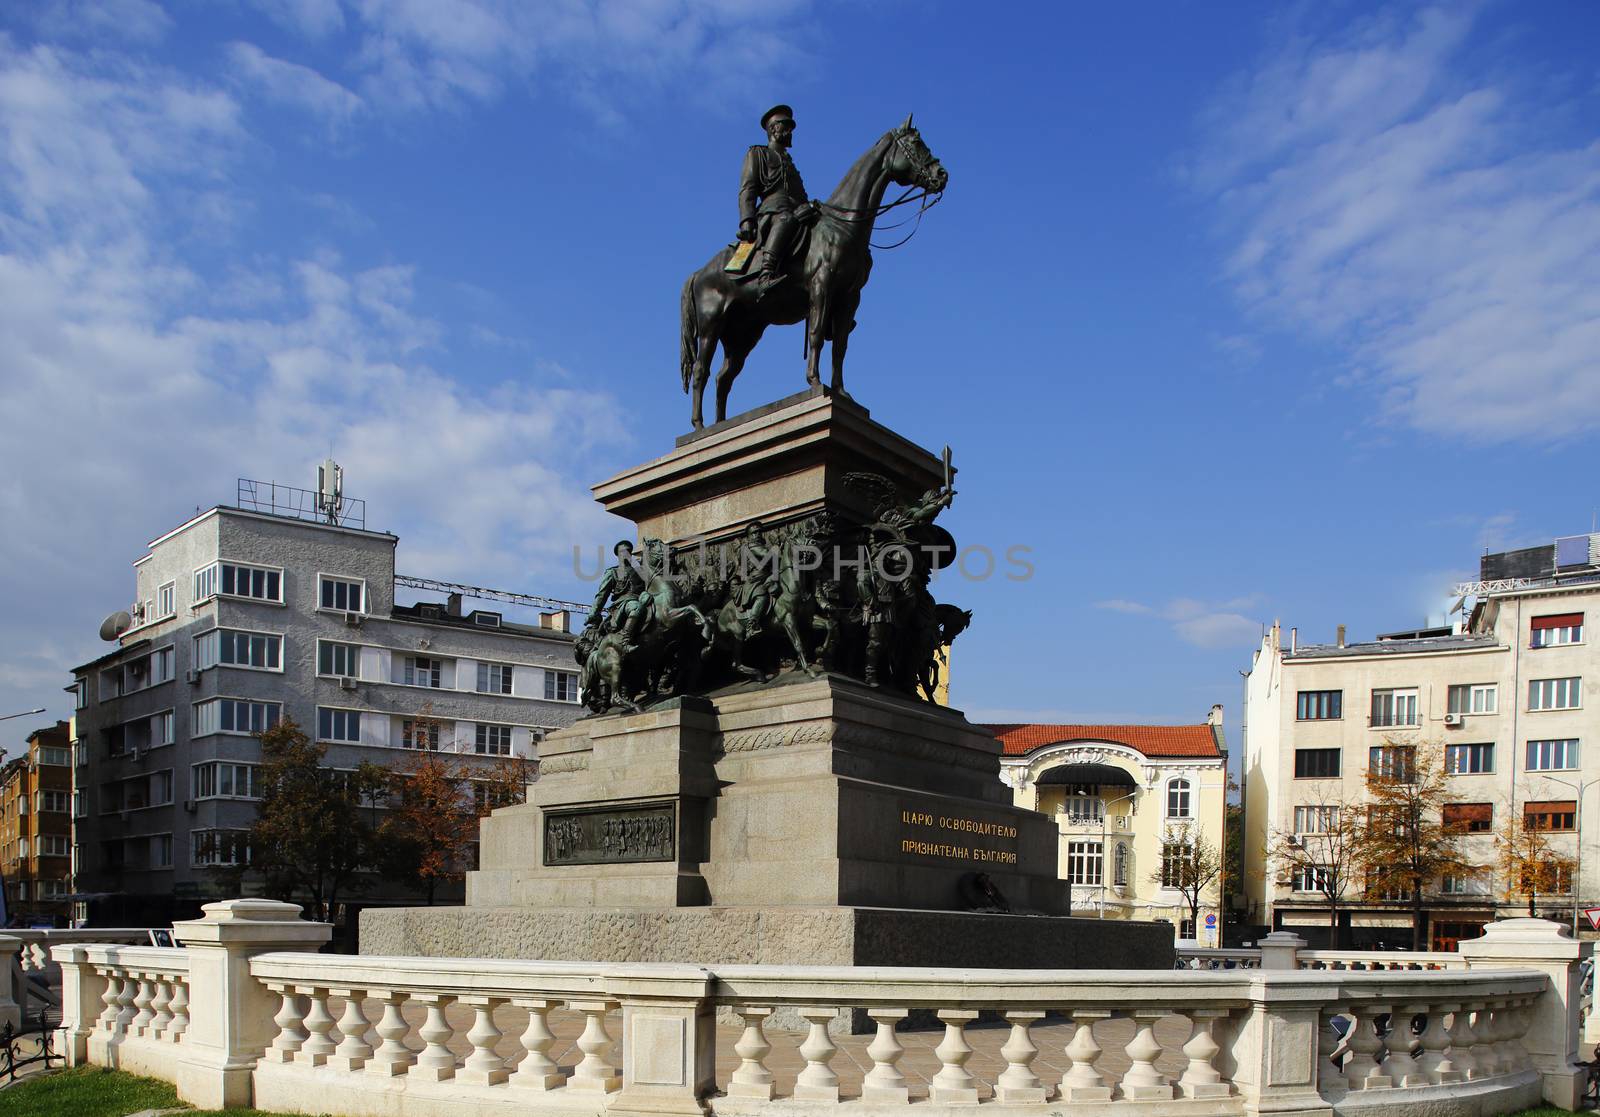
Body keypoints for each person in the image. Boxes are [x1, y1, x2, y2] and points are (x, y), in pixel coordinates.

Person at [738, 104, 812, 297]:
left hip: (797, 211)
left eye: (791, 127)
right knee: (785, 219)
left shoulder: (790, 163)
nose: (790, 131)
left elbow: (801, 195)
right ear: (773, 129)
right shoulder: (758, 153)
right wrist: (747, 220)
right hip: (773, 212)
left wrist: (809, 208)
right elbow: (748, 188)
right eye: (786, 126)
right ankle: (766, 275)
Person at [588, 540, 648, 651]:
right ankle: (625, 641)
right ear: (618, 555)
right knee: (636, 608)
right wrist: (594, 613)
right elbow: (602, 594)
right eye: (622, 551)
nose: (625, 554)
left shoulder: (640, 570)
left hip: (642, 598)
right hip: (623, 603)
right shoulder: (613, 572)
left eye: (628, 551)